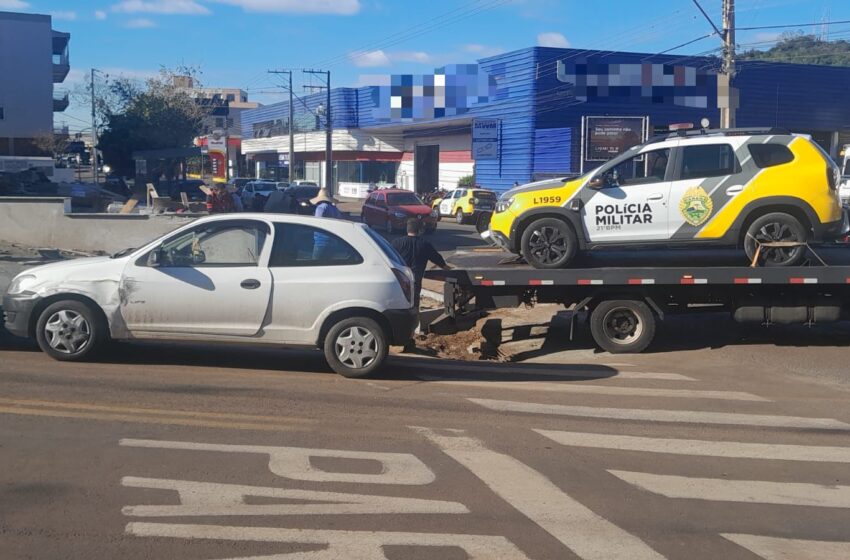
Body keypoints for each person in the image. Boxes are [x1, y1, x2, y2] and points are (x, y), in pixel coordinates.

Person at [391, 218, 451, 311]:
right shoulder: (424, 244)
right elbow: (436, 258)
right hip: (415, 280)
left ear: (407, 229)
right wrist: (445, 267)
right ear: (419, 230)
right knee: (414, 303)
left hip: (400, 280)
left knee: (399, 304)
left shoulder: (397, 243)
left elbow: (389, 258)